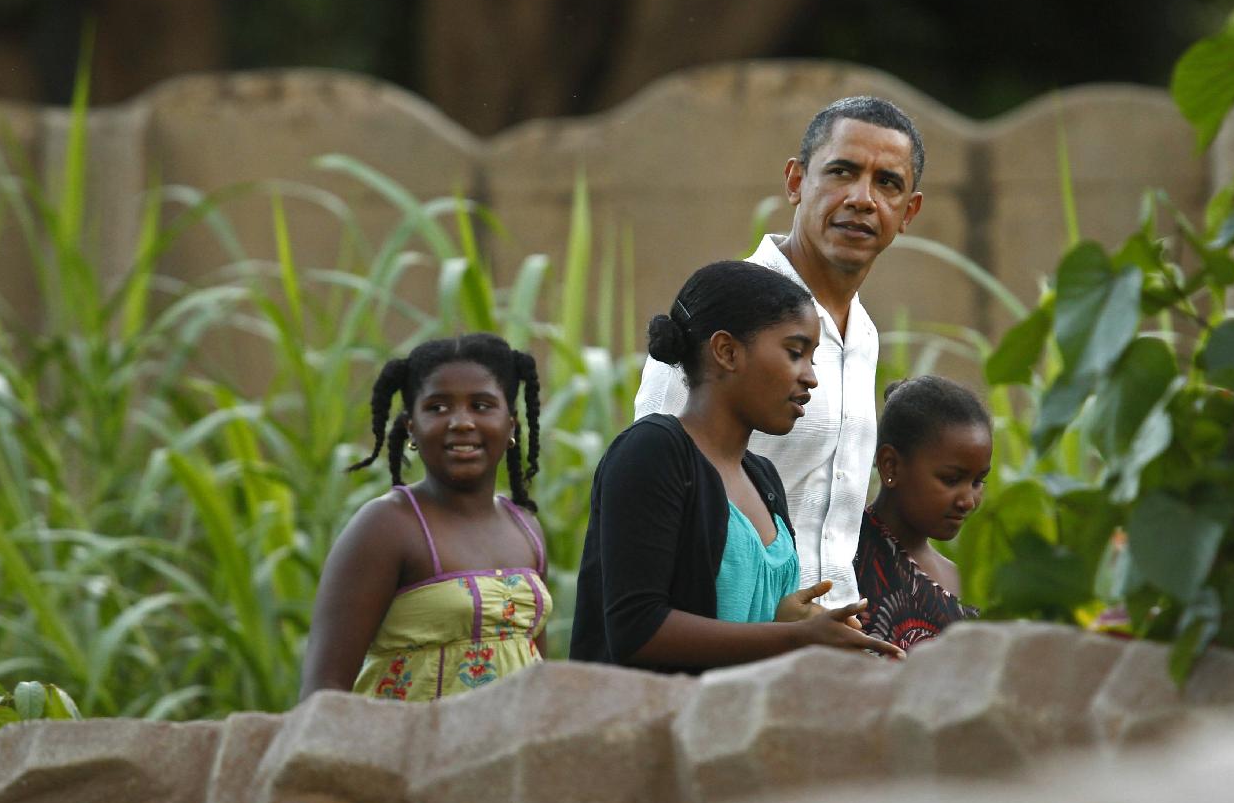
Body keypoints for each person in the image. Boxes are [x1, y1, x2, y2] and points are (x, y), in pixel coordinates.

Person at [634, 96, 926, 610]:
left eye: (887, 183)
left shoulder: (864, 335)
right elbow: (647, 484)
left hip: (835, 645)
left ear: (908, 212)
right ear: (795, 182)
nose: (862, 198)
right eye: (842, 171)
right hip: (724, 645)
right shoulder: (721, 312)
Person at [571, 260, 905, 671]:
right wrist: (793, 636)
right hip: (651, 727)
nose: (811, 378)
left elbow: (745, 630)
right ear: (727, 351)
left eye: (813, 359)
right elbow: (637, 631)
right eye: (795, 353)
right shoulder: (652, 452)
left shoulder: (763, 478)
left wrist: (789, 621)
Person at [299, 333, 549, 701]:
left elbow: (537, 667)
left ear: (511, 424)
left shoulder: (524, 527)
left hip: (511, 752)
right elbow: (324, 690)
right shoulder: (386, 526)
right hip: (407, 753)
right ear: (411, 427)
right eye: (438, 407)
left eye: (481, 405)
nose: (461, 422)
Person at [855, 376, 990, 652]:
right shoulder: (844, 560)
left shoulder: (964, 583)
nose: (968, 501)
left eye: (978, 482)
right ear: (890, 465)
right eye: (951, 479)